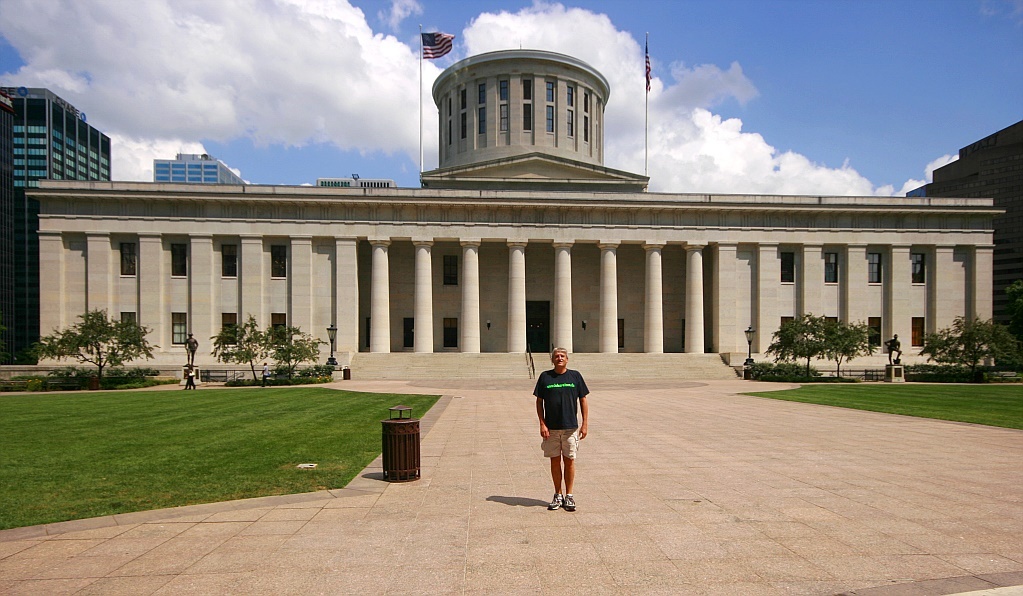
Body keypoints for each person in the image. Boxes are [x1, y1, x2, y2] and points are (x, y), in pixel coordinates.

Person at [534, 347, 589, 512]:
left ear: (567, 359)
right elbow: (539, 402)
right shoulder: (545, 377)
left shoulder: (575, 376)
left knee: (570, 460)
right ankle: (558, 494)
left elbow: (583, 400)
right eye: (556, 356)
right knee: (555, 461)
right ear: (552, 360)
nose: (559, 358)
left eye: (562, 356)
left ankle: (569, 495)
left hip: (570, 427)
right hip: (551, 428)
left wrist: (585, 423)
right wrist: (542, 423)